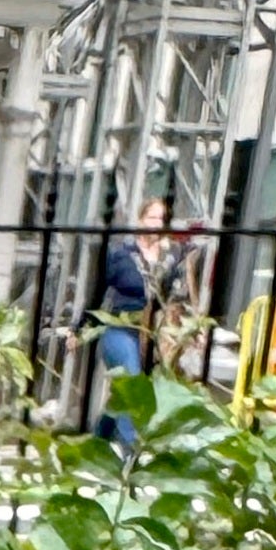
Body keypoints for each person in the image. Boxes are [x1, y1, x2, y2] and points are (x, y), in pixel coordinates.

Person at [91, 196, 172, 458]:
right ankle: (131, 450)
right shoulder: (122, 256)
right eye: (152, 217)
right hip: (119, 329)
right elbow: (97, 293)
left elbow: (175, 299)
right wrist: (80, 327)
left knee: (124, 394)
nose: (157, 224)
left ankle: (96, 443)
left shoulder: (169, 260)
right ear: (140, 220)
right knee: (132, 380)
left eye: (161, 219)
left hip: (150, 335)